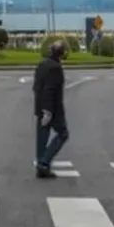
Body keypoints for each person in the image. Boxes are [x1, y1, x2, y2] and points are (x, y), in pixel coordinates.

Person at [33, 39, 69, 178]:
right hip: (52, 110)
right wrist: (48, 111)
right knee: (63, 134)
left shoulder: (41, 64)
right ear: (62, 53)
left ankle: (41, 166)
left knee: (42, 138)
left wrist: (41, 108)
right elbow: (50, 90)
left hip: (40, 106)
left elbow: (36, 87)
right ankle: (44, 162)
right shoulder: (56, 68)